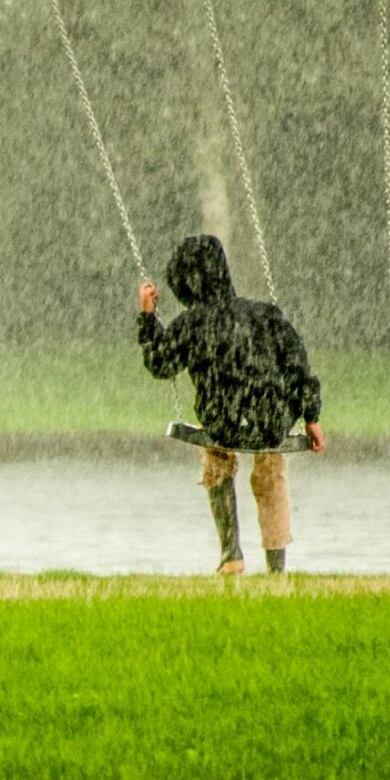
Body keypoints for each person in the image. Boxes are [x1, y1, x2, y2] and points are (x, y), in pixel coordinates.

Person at [137, 234, 325, 575]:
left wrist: (149, 317)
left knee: (217, 458)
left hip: (222, 421)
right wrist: (311, 417)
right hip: (271, 422)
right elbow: (298, 365)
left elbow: (159, 364)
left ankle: (231, 553)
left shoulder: (192, 324)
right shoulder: (265, 316)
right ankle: (276, 566)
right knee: (272, 470)